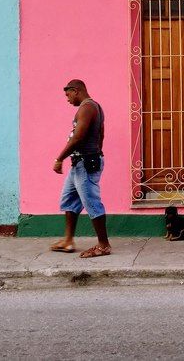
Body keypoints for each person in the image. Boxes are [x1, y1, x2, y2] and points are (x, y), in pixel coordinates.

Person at [50, 79, 111, 258]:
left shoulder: (87, 108)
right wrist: (98, 151)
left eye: (68, 95)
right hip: (80, 163)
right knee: (69, 199)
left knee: (92, 202)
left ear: (76, 91)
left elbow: (77, 138)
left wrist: (59, 158)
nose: (67, 99)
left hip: (85, 163)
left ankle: (104, 244)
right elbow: (102, 134)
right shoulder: (93, 107)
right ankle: (68, 240)